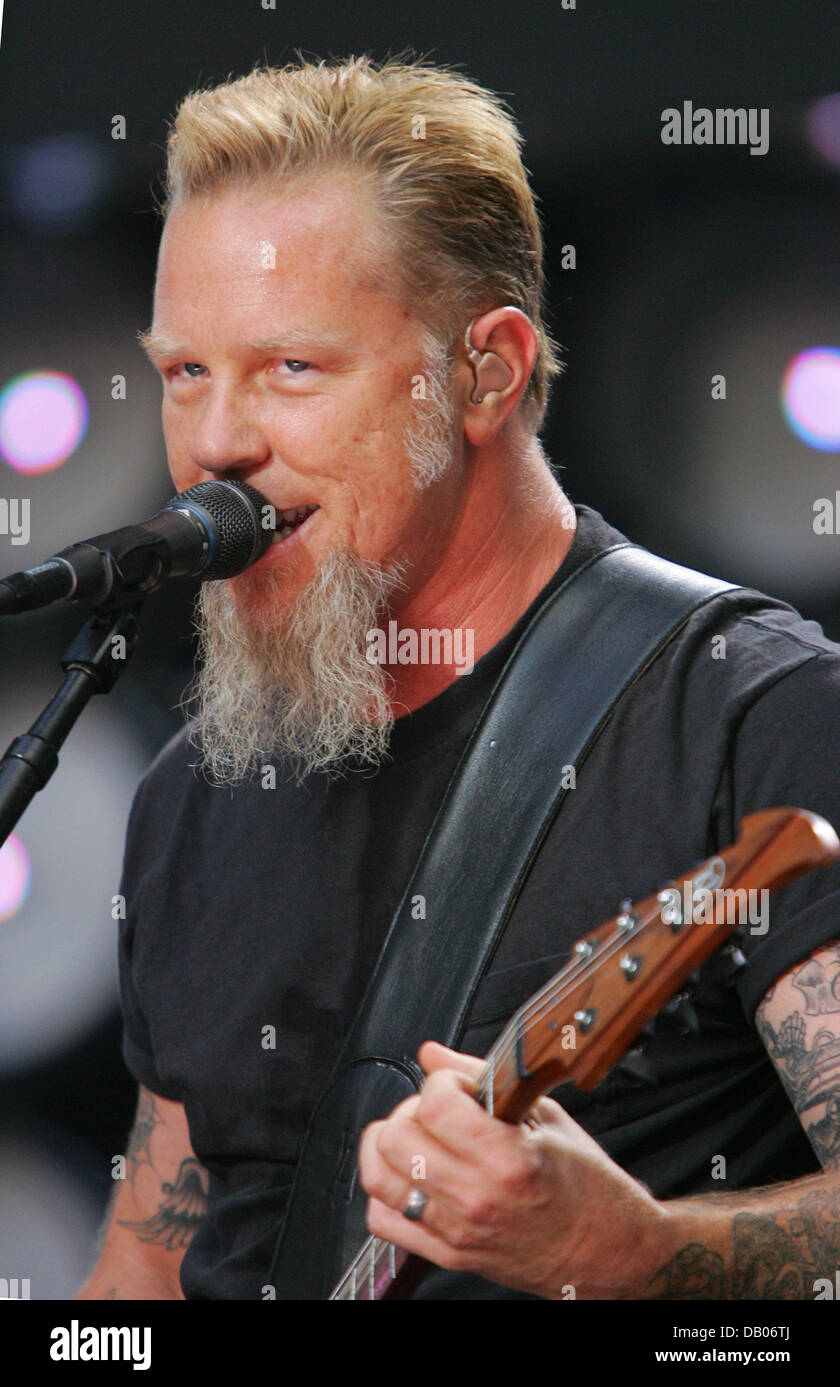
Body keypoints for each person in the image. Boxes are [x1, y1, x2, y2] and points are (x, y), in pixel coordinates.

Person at [78, 56, 840, 1302]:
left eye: (292, 369)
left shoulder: (753, 721)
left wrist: (640, 1251)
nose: (216, 442)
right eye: (184, 374)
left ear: (484, 371)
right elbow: (149, 1267)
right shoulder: (193, 792)